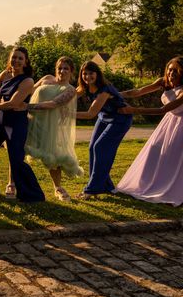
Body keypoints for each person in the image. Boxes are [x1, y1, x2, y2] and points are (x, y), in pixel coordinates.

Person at [0, 47, 45, 202]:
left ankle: (32, 194)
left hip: (16, 122)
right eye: (14, 57)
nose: (16, 61)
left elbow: (13, 104)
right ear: (9, 59)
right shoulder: (5, 74)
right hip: (0, 119)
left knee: (16, 159)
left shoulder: (28, 81)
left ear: (25, 61)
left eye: (20, 58)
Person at [114, 56, 183, 205]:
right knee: (154, 148)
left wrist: (132, 110)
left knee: (175, 157)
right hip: (168, 123)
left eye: (176, 71)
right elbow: (137, 92)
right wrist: (115, 94)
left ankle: (173, 189)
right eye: (170, 70)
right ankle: (147, 183)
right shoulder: (162, 82)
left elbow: (162, 110)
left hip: (181, 125)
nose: (172, 73)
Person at [24, 57, 83, 202]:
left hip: (51, 127)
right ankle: (12, 184)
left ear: (71, 72)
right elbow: (29, 91)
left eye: (66, 69)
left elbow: (53, 104)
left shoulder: (70, 90)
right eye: (60, 68)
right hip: (30, 121)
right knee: (18, 151)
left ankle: (58, 188)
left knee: (53, 158)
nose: (62, 71)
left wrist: (26, 107)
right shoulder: (46, 79)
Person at [74, 61, 132, 199]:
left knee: (100, 147)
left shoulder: (104, 89)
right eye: (84, 73)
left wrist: (66, 114)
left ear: (97, 74)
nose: (87, 76)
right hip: (104, 117)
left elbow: (90, 114)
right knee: (92, 147)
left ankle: (92, 189)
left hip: (120, 119)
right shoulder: (85, 87)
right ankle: (106, 186)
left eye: (91, 73)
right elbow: (69, 96)